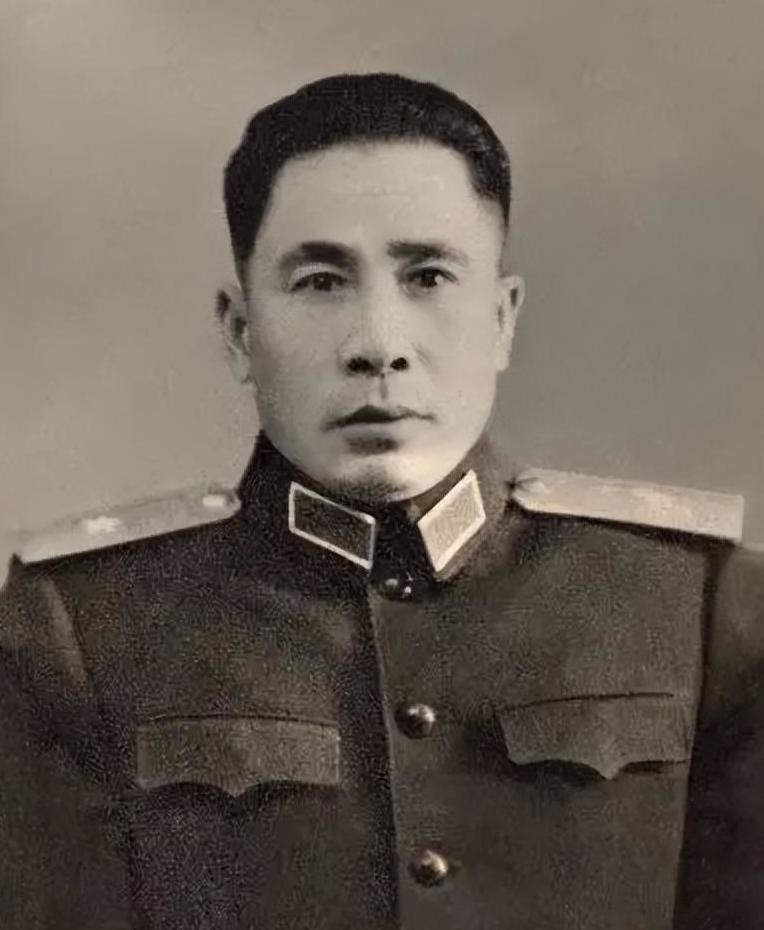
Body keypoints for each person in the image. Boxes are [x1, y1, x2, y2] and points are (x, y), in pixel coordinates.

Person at [1, 71, 763, 930]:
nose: (378, 345)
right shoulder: (78, 627)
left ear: (502, 318)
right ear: (240, 331)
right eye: (320, 282)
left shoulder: (705, 609)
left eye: (428, 276)